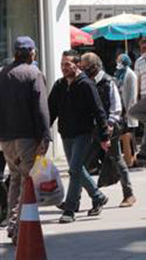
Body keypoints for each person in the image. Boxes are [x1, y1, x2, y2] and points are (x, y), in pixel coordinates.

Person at [48, 50, 110, 223]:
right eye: (62, 64)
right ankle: (97, 196)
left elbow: (99, 111)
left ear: (77, 65)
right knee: (77, 169)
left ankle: (70, 209)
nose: (64, 68)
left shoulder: (86, 85)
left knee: (74, 170)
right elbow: (51, 111)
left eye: (67, 64)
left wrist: (104, 136)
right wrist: (44, 132)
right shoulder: (59, 85)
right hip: (66, 134)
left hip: (83, 134)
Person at [0, 37, 50, 244]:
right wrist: (45, 136)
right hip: (27, 138)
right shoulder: (33, 73)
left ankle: (13, 225)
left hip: (7, 139)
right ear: (32, 53)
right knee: (28, 182)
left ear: (15, 53)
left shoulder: (3, 73)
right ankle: (21, 229)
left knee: (15, 179)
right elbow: (41, 108)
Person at [80, 53, 135, 208]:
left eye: (86, 67)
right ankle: (75, 199)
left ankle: (129, 194)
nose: (84, 70)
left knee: (116, 159)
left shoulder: (108, 82)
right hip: (92, 129)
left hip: (109, 128)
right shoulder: (86, 83)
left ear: (95, 67)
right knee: (82, 164)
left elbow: (116, 107)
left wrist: (109, 125)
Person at [115, 54, 137, 167]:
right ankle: (128, 157)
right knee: (124, 133)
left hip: (128, 107)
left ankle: (131, 159)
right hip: (121, 106)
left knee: (129, 134)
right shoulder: (118, 74)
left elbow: (132, 94)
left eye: (120, 60)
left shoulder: (130, 75)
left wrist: (130, 111)